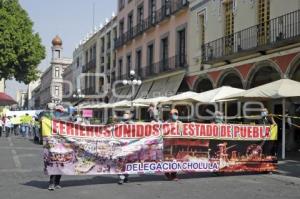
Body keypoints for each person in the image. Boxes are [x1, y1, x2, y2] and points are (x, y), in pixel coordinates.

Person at [48, 105, 66, 191]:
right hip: (53, 145)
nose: (59, 112)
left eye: (61, 111)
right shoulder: (50, 119)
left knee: (61, 164)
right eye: (58, 111)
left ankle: (57, 183)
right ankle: (51, 183)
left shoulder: (64, 120)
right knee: (54, 164)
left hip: (62, 145)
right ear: (55, 110)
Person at [164, 109, 181, 181]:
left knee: (175, 159)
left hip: (176, 144)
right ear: (170, 115)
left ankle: (174, 174)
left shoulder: (180, 123)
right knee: (167, 159)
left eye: (176, 114)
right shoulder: (166, 123)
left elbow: (184, 131)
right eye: (173, 114)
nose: (174, 115)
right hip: (167, 144)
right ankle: (167, 173)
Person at [117, 110, 132, 185]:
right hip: (122, 146)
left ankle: (126, 177)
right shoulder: (119, 124)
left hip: (129, 146)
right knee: (121, 162)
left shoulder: (132, 124)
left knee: (128, 162)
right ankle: (121, 178)